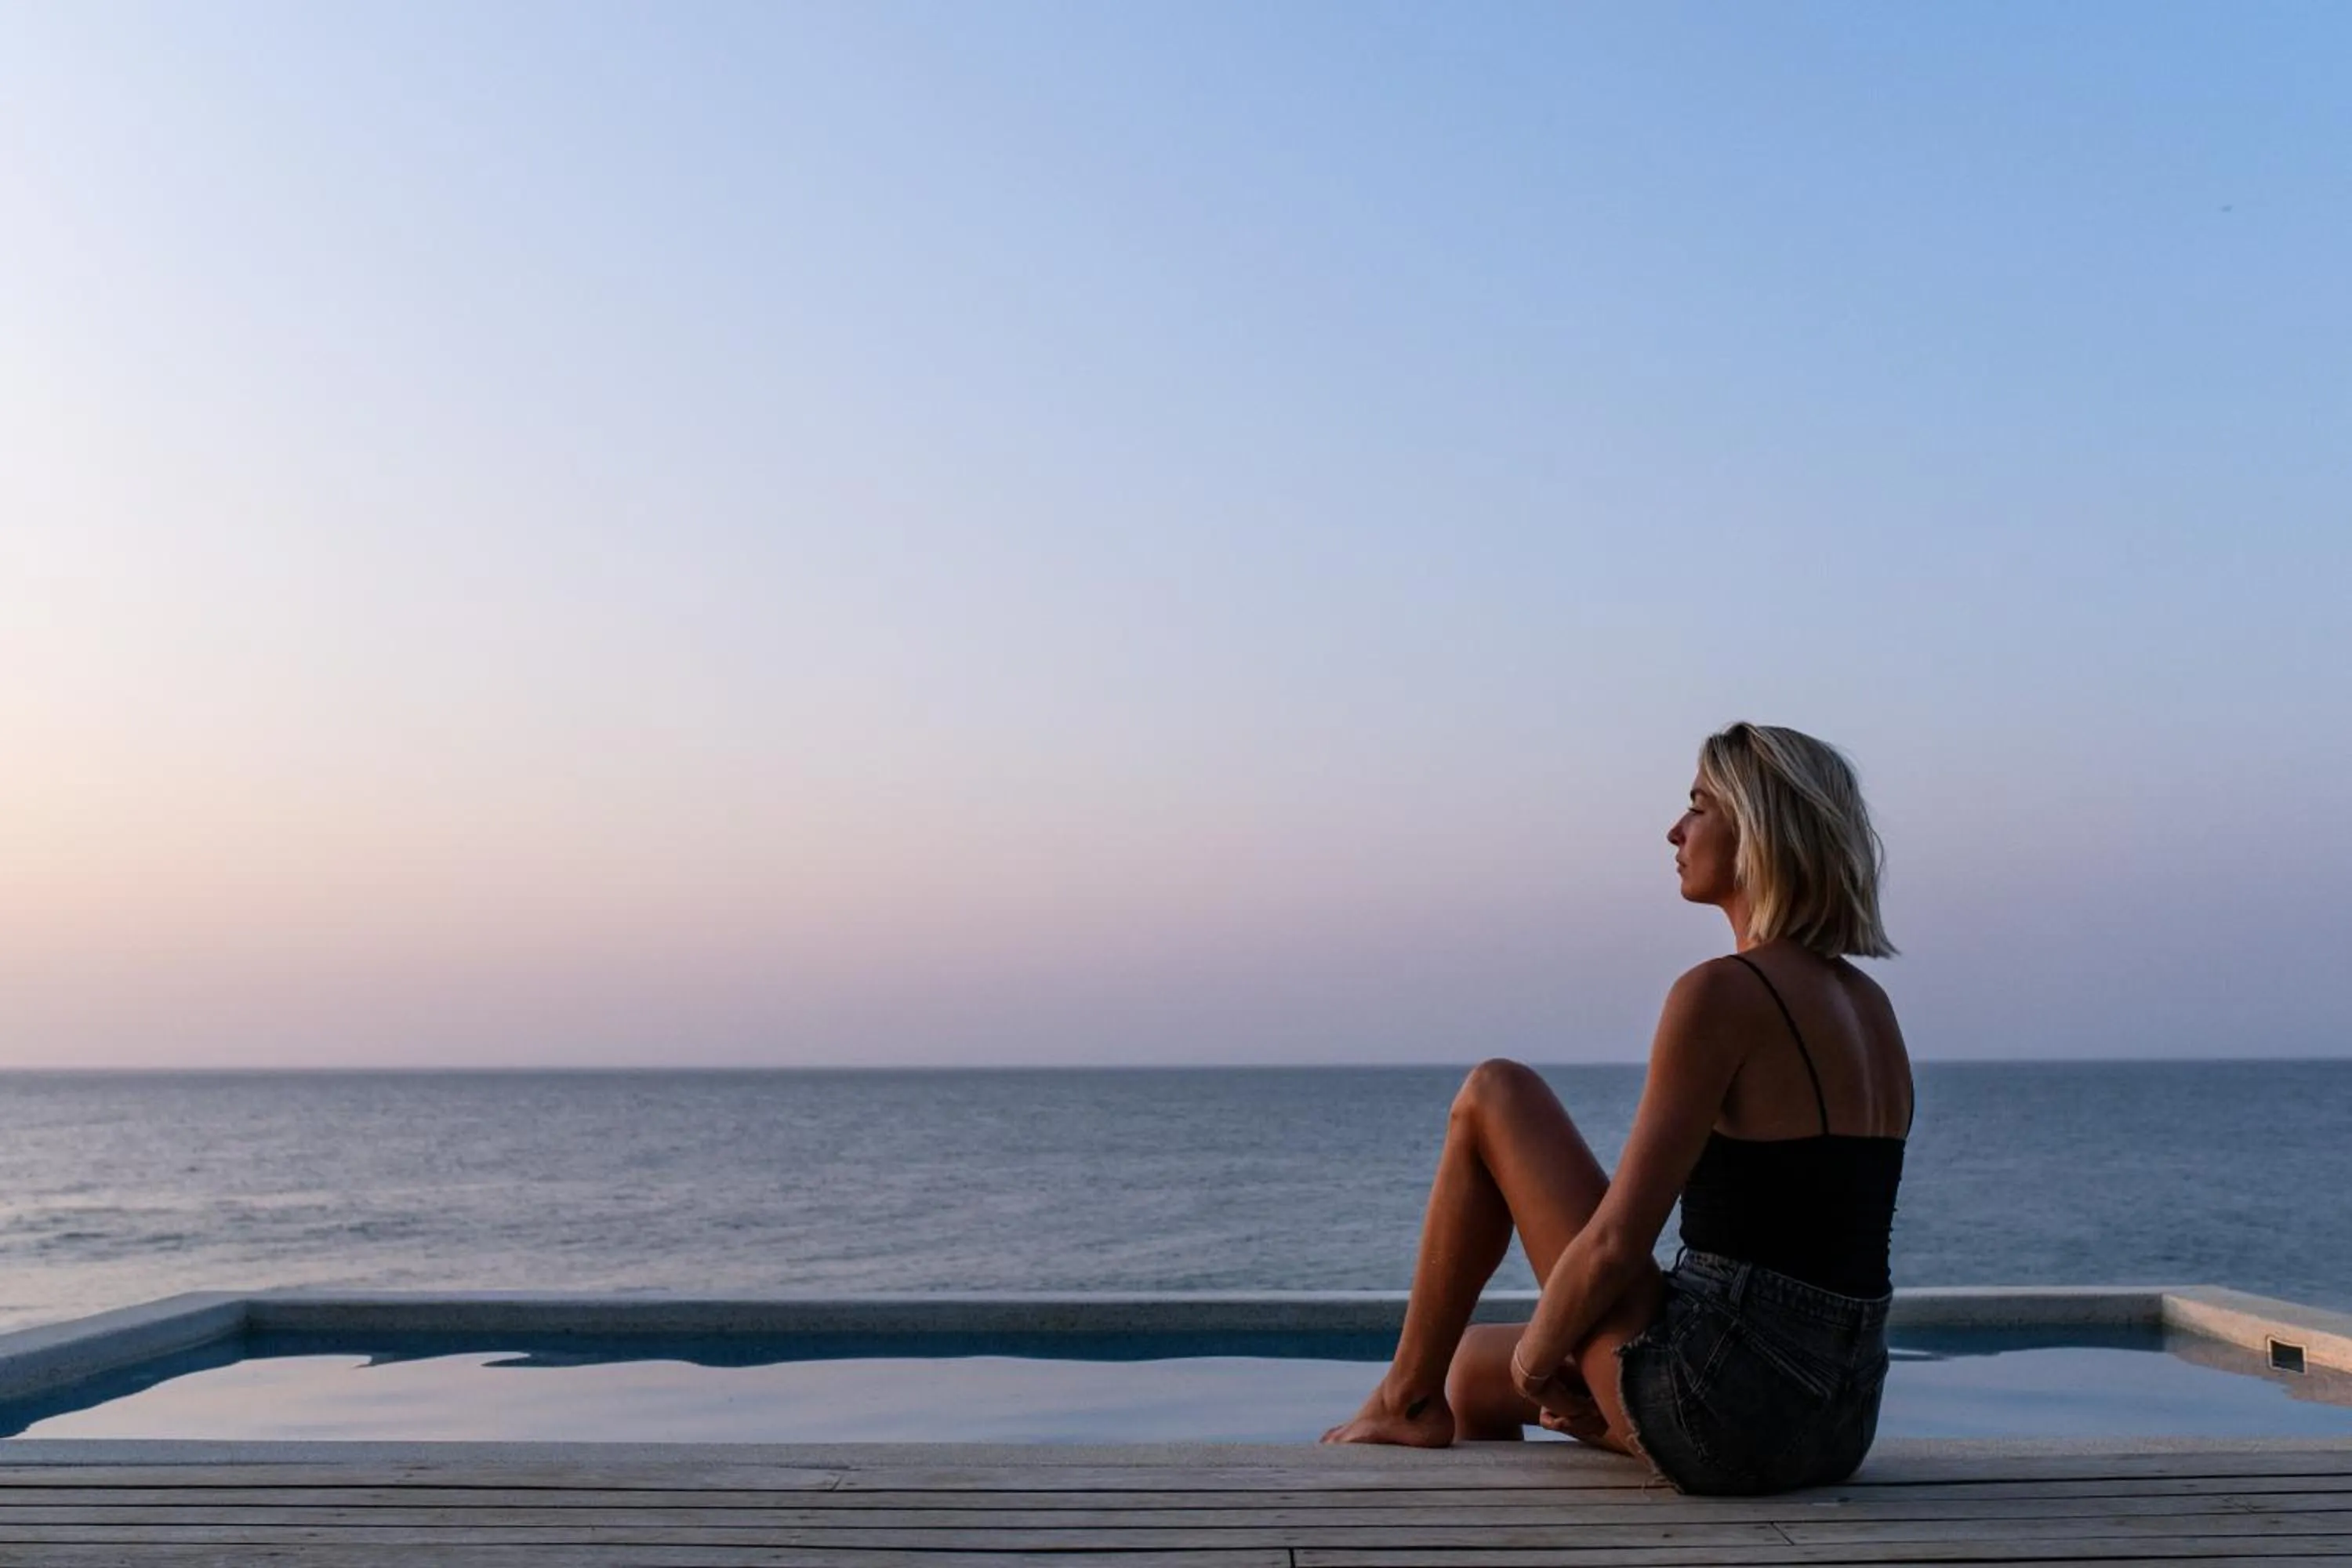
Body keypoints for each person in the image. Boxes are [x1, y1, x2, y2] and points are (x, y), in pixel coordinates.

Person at [1322, 721, 1912, 1495]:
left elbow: (1612, 1243)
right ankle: (1441, 1428)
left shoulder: (1723, 993)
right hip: (1839, 1421)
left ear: (1759, 827)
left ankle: (1402, 1398)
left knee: (1495, 1093)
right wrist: (1533, 1361)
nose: (1676, 828)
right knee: (1470, 1364)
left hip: (1725, 1412)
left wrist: (1542, 1370)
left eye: (1699, 805)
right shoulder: (1872, 1009)